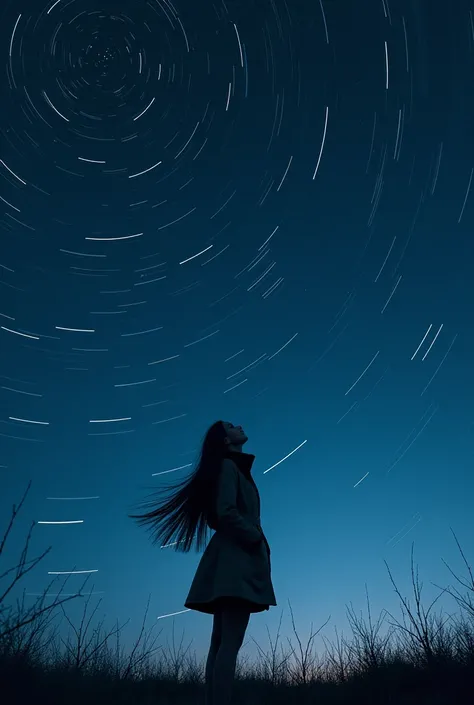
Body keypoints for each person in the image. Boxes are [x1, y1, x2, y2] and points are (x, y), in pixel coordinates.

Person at [128, 420, 277, 705]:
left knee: (221, 642)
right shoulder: (229, 467)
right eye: (232, 426)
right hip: (237, 561)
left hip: (231, 559)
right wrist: (254, 537)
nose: (240, 426)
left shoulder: (230, 468)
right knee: (229, 642)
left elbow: (220, 512)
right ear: (225, 441)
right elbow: (225, 512)